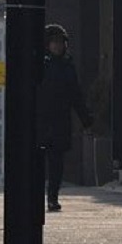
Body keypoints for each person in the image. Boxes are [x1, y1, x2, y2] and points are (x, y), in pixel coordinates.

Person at [37, 24, 92, 212]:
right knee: (38, 161)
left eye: (61, 43)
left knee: (56, 163)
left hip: (60, 120)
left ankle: (52, 197)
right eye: (54, 43)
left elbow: (76, 95)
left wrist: (86, 120)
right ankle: (37, 196)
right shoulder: (39, 66)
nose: (58, 46)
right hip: (40, 120)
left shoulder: (68, 66)